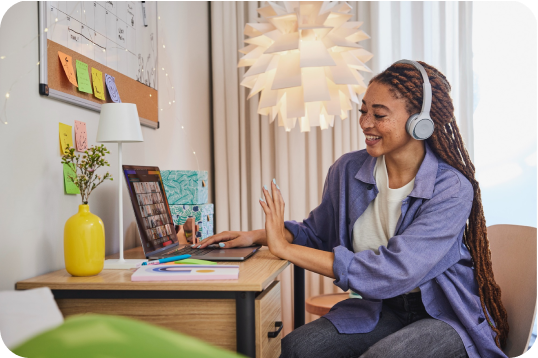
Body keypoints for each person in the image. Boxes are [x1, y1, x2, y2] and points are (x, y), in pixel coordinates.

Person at [198, 61, 508, 358]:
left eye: (379, 114)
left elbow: (394, 271)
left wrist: (284, 249)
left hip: (444, 312)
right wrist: (261, 236)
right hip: (380, 307)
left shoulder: (451, 188)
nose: (365, 123)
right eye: (363, 112)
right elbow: (317, 234)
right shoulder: (348, 170)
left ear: (419, 122)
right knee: (297, 348)